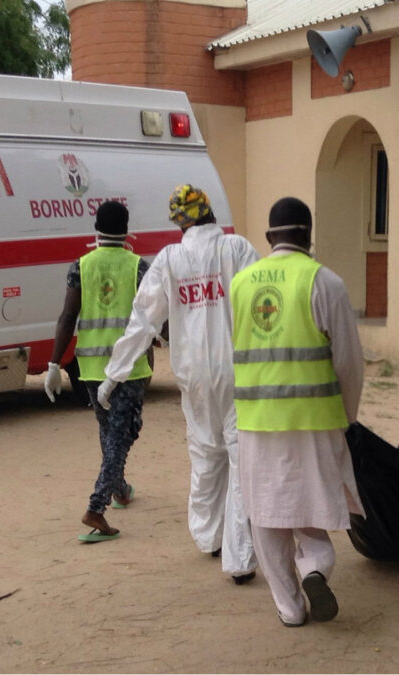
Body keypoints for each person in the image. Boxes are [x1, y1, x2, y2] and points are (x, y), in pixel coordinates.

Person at [97, 185, 260, 584]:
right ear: (208, 211)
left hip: (194, 376)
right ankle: (240, 560)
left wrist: (114, 374)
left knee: (206, 456)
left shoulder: (170, 260)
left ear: (179, 221)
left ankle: (209, 538)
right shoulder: (237, 249)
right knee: (242, 462)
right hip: (239, 371)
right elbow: (261, 304)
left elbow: (143, 321)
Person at [230, 197, 364, 626]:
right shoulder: (325, 282)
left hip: (255, 420)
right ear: (308, 234)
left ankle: (289, 608)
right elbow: (348, 362)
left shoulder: (241, 283)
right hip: (314, 418)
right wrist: (348, 415)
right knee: (311, 506)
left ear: (270, 238)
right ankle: (316, 568)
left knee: (267, 513)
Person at [44, 201, 151, 543]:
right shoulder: (138, 267)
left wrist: (53, 364)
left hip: (90, 367)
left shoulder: (80, 266)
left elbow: (67, 317)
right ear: (127, 230)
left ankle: (119, 488)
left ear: (96, 228)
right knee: (122, 434)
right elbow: (149, 318)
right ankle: (96, 506)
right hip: (130, 367)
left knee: (109, 433)